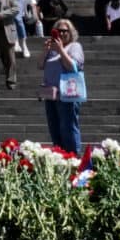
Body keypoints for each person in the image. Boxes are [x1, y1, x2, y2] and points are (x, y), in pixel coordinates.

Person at [38, 19, 87, 154]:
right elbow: (40, 65)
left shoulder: (75, 46)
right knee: (55, 129)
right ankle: (60, 158)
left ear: (70, 33)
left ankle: (74, 158)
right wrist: (45, 50)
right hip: (51, 95)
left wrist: (60, 50)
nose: (61, 34)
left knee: (69, 129)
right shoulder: (51, 49)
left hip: (68, 95)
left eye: (65, 31)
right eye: (58, 31)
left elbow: (73, 67)